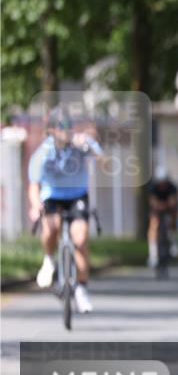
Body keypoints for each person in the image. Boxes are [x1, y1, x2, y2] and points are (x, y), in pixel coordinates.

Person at [27, 108, 107, 313]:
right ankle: (48, 261)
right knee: (51, 227)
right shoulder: (43, 152)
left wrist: (91, 148)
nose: (67, 131)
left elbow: (105, 164)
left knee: (80, 239)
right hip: (52, 196)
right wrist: (36, 206)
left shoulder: (81, 144)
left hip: (77, 195)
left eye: (69, 126)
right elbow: (34, 185)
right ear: (52, 130)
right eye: (62, 127)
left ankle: (81, 289)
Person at [147, 166, 178, 267]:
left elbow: (173, 202)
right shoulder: (153, 187)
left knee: (173, 218)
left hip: (169, 209)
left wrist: (167, 205)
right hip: (157, 209)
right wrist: (159, 206)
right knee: (153, 224)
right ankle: (153, 254)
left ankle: (174, 240)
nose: (163, 185)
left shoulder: (172, 187)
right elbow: (152, 201)